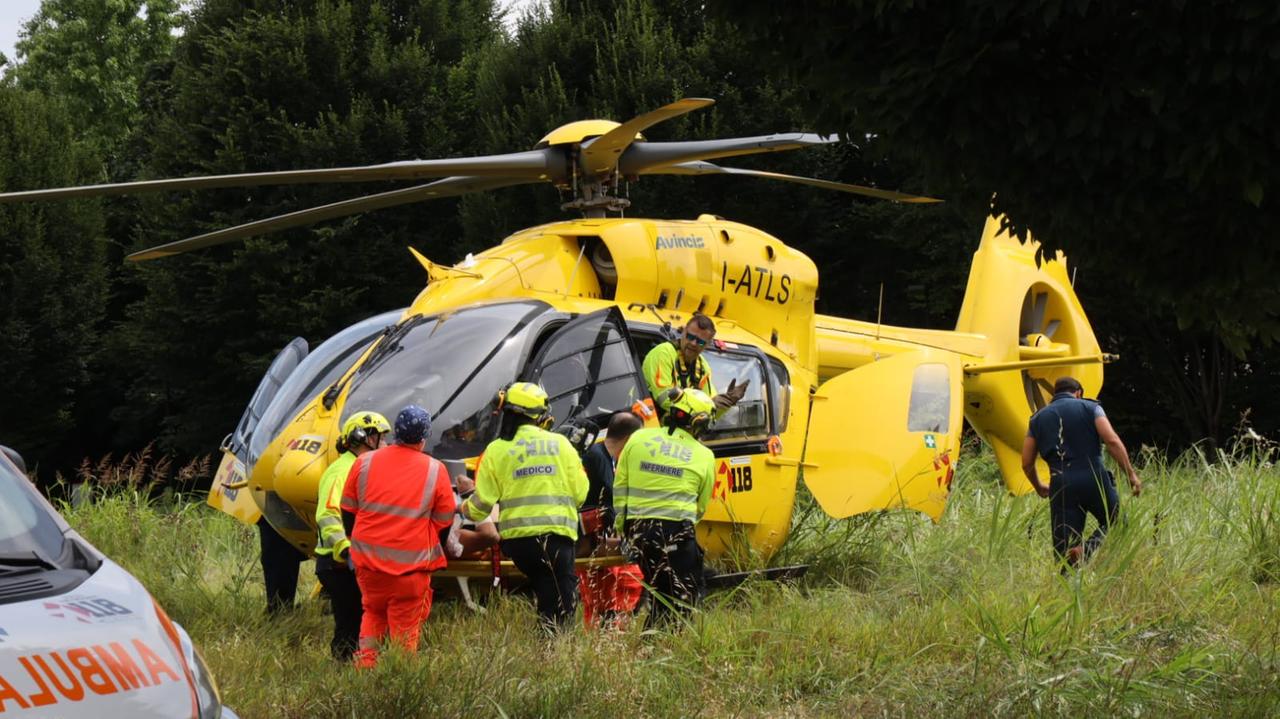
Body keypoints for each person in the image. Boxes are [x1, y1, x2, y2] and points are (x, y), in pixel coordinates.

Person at [460, 382, 588, 632]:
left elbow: (480, 507)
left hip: (518, 546)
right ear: (541, 416)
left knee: (546, 593)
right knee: (561, 606)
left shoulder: (495, 450)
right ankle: (552, 656)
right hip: (557, 540)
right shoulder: (562, 444)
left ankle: (544, 651)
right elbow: (581, 493)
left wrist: (461, 509)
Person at [340, 405, 455, 668]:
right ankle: (398, 684)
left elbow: (348, 509)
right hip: (410, 572)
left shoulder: (364, 462)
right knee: (405, 634)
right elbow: (444, 521)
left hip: (368, 566)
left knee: (372, 614)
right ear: (424, 437)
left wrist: (355, 542)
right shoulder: (435, 470)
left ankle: (365, 670)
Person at [614, 388, 716, 628]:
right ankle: (658, 649)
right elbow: (700, 507)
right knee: (681, 600)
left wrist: (624, 529)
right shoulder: (704, 455)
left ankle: (652, 646)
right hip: (677, 534)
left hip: (637, 532)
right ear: (699, 422)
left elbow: (620, 487)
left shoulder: (638, 438)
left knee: (659, 592)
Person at [1022, 376, 1142, 567]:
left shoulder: (1037, 419)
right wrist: (1131, 474)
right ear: (1078, 392)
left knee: (1064, 551)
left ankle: (1068, 585)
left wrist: (1038, 487)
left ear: (1055, 394)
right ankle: (1088, 548)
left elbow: (1027, 463)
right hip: (1093, 477)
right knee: (1117, 522)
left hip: (1060, 484)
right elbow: (1112, 441)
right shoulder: (1091, 408)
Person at [313, 410, 389, 661]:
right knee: (349, 621)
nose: (385, 443)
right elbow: (327, 515)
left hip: (354, 559)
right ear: (363, 437)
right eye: (380, 436)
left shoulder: (362, 467)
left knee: (360, 618)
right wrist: (345, 549)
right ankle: (342, 670)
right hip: (337, 562)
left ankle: (355, 666)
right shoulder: (341, 470)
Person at [576, 411, 645, 628]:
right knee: (633, 574)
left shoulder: (605, 457)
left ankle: (610, 627)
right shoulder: (596, 457)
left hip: (598, 538)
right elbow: (607, 502)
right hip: (588, 540)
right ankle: (609, 627)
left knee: (622, 583)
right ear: (630, 439)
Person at [641, 314, 748, 415]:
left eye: (700, 342)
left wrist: (726, 402)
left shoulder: (703, 367)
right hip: (640, 421)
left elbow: (709, 411)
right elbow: (664, 399)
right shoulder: (663, 353)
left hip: (673, 429)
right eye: (690, 337)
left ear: (707, 344)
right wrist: (706, 407)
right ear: (683, 332)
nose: (693, 343)